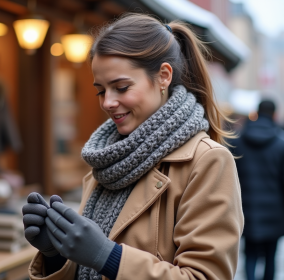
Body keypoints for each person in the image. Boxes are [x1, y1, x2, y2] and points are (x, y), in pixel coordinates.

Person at [22, 13, 244, 280]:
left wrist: (108, 256)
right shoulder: (105, 162)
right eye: (101, 90)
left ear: (163, 76)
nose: (107, 102)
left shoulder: (207, 162)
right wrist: (55, 254)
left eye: (122, 87)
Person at [229, 100, 284, 280]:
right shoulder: (280, 144)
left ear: (257, 113)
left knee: (250, 253)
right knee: (270, 255)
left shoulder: (238, 141)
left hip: (247, 208)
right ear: (274, 115)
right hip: (275, 211)